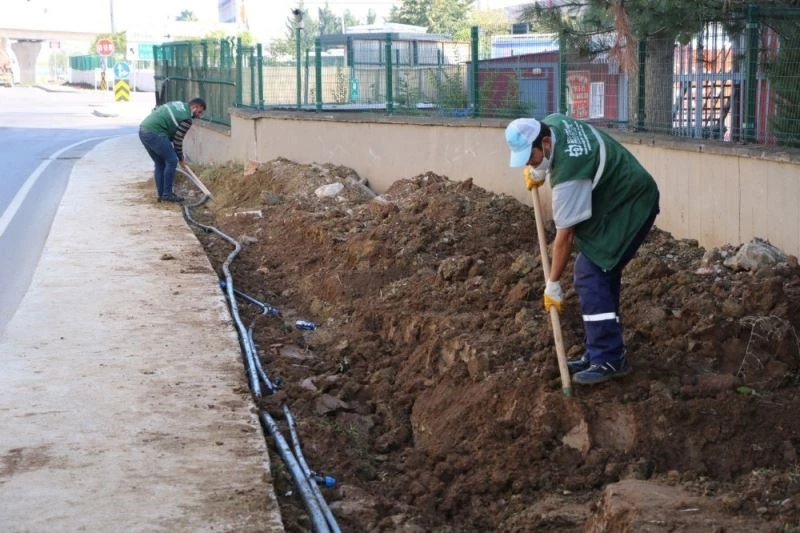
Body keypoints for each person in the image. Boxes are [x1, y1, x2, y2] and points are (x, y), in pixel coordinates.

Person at [505, 114, 660, 385]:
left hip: (632, 204)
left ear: (545, 143)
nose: (531, 163)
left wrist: (552, 283)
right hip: (617, 195)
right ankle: (598, 351)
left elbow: (565, 236)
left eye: (533, 157)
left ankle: (609, 357)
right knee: (600, 269)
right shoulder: (553, 122)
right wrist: (540, 169)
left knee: (590, 272)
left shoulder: (569, 176)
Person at [138, 98, 206, 203]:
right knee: (172, 160)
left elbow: (159, 112)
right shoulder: (187, 119)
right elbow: (177, 140)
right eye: (199, 111)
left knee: (160, 163)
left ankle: (162, 195)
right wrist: (180, 158)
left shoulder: (179, 105)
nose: (199, 115)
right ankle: (167, 194)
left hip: (143, 130)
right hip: (155, 133)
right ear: (194, 107)